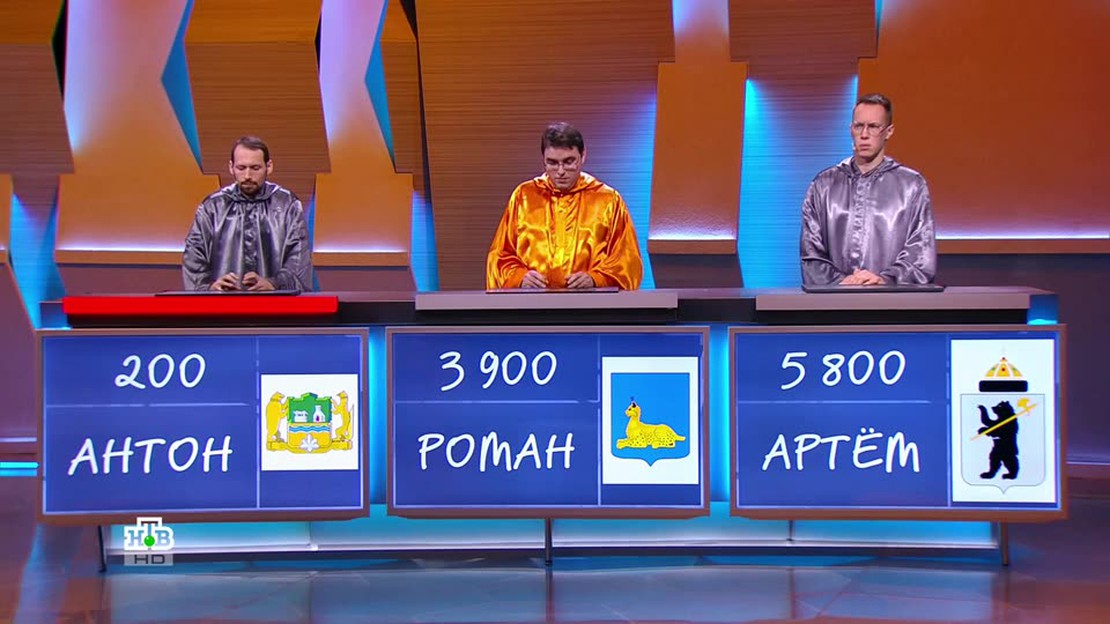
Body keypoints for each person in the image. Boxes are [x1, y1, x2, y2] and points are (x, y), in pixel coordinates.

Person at [486, 122, 643, 290]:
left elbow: (628, 260)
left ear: (583, 156)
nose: (560, 171)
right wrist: (520, 277)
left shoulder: (608, 200)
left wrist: (595, 279)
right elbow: (499, 256)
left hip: (590, 303)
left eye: (568, 162)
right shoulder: (523, 196)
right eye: (552, 163)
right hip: (532, 302)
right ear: (543, 161)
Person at [800, 93, 936, 286]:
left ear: (888, 132)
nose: (864, 135)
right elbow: (811, 252)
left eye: (873, 127)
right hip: (835, 299)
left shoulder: (911, 185)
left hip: (891, 300)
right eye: (858, 126)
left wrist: (883, 279)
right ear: (851, 129)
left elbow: (920, 251)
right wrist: (843, 282)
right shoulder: (823, 185)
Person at [183, 136, 313, 292]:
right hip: (222, 303)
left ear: (269, 166)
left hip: (274, 302)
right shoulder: (213, 206)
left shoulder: (287, 204)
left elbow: (298, 256)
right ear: (231, 167)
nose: (247, 176)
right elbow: (194, 256)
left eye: (255, 168)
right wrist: (209, 286)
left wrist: (274, 284)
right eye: (241, 168)